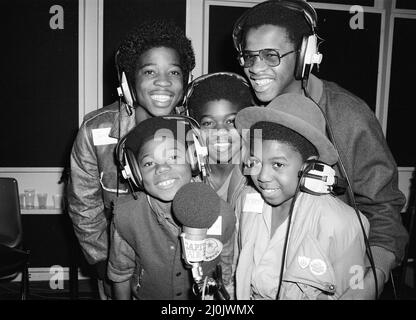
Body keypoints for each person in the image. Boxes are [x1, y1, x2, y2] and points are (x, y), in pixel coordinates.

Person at [232, 0, 408, 299]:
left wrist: (369, 281)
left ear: (305, 55)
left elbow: (383, 210)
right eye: (249, 57)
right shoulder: (251, 113)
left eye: (271, 55)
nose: (256, 68)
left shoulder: (347, 114)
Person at [67, 19, 195, 299]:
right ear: (128, 82)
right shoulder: (95, 130)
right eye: (150, 71)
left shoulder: (195, 132)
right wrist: (102, 262)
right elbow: (83, 204)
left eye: (174, 72)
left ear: (186, 84)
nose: (163, 81)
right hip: (118, 271)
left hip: (179, 272)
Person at [234, 93, 370, 300]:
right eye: (256, 162)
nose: (262, 176)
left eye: (278, 164)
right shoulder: (246, 200)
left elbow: (352, 292)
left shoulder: (343, 223)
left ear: (309, 167)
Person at [107, 116, 236, 299]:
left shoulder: (222, 212)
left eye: (174, 156)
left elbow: (226, 270)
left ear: (193, 160)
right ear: (135, 174)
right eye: (149, 163)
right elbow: (120, 273)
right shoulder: (126, 215)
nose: (161, 168)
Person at [185, 72, 255, 298]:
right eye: (208, 123)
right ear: (195, 131)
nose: (220, 132)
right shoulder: (183, 180)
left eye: (231, 121)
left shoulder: (260, 180)